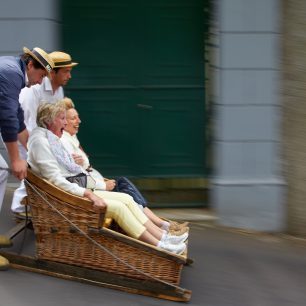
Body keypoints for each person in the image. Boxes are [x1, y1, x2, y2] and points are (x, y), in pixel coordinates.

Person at [27, 102, 188, 255]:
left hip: (73, 191)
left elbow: (67, 173)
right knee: (119, 208)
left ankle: (162, 237)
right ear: (48, 121)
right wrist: (89, 193)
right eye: (62, 118)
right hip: (65, 198)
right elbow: (56, 180)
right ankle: (160, 246)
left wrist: (92, 186)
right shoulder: (41, 142)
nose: (65, 122)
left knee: (126, 198)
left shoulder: (50, 139)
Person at [59, 98, 188, 234]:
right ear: (64, 122)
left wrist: (88, 167)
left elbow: (84, 164)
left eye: (78, 117)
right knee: (125, 188)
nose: (79, 121)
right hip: (91, 187)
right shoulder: (64, 140)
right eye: (73, 118)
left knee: (125, 186)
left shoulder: (72, 138)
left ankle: (162, 226)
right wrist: (100, 183)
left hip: (94, 182)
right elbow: (77, 172)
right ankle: (162, 226)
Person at [0, 46, 54, 270]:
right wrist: (16, 160)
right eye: (41, 76)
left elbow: (19, 121)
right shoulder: (12, 72)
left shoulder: (14, 71)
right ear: (30, 66)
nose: (40, 82)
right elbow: (6, 118)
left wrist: (36, 153)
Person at [12, 51, 78, 214]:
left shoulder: (59, 92)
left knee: (40, 171)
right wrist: (38, 147)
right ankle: (19, 208)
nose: (69, 76)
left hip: (43, 137)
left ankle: (29, 207)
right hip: (25, 135)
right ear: (52, 72)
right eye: (66, 71)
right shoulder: (33, 89)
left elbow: (58, 121)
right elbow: (26, 121)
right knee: (31, 172)